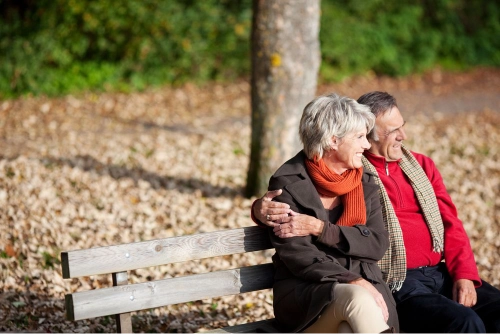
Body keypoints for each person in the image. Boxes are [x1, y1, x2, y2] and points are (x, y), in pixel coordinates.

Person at [252, 91, 500, 334]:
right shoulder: (357, 172)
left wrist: (465, 275)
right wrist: (259, 210)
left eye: (402, 126)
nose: (403, 136)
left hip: (430, 273)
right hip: (380, 282)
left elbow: (441, 226)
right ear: (337, 140)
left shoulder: (391, 172)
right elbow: (298, 248)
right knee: (463, 322)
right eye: (391, 131)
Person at [260, 93, 398, 334]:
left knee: (348, 329)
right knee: (357, 298)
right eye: (359, 137)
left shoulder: (364, 182)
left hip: (362, 293)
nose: (367, 145)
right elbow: (298, 254)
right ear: (333, 141)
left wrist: (322, 229)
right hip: (307, 296)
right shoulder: (287, 182)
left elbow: (376, 244)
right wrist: (351, 280)